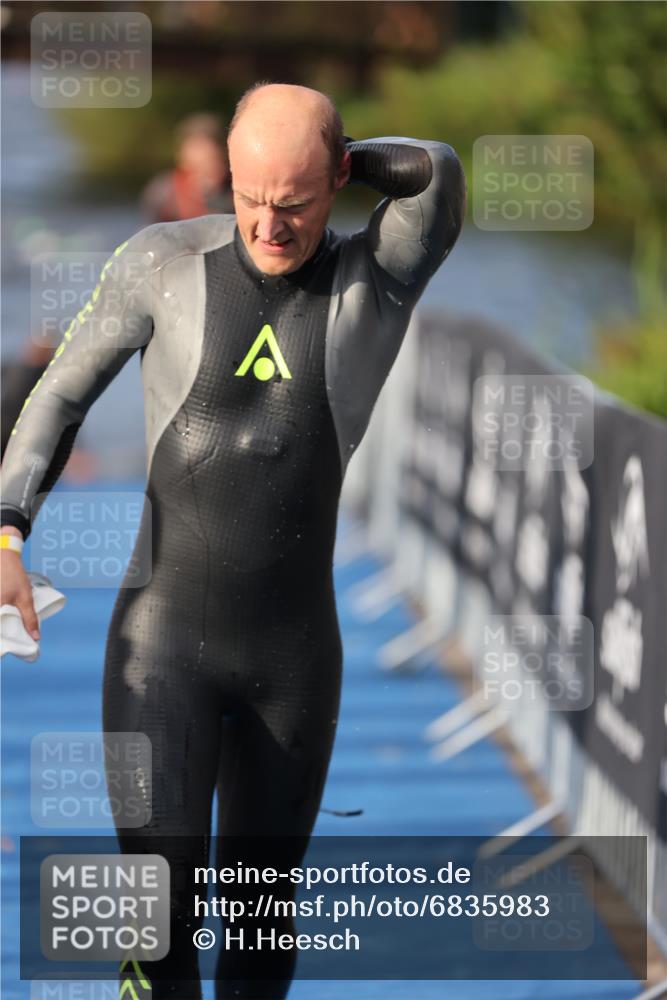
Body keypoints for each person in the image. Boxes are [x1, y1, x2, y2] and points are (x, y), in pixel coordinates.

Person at [0, 83, 465, 998]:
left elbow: (437, 174)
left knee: (259, 933)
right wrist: (7, 538)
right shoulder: (162, 263)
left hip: (291, 661)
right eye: (250, 197)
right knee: (158, 931)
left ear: (338, 180)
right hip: (160, 648)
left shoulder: (376, 280)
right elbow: (57, 399)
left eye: (294, 202)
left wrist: (343, 152)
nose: (268, 225)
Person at [141, 112, 234, 223]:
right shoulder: (163, 191)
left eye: (215, 152)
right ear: (181, 153)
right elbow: (150, 229)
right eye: (199, 148)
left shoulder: (236, 186)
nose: (207, 155)